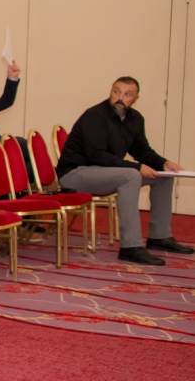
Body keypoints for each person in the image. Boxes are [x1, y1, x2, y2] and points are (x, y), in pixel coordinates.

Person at [57, 76, 191, 265]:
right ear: (111, 92)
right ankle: (131, 247)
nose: (120, 98)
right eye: (117, 92)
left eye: (127, 94)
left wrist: (164, 163)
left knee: (163, 177)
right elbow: (96, 155)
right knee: (130, 175)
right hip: (75, 173)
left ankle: (160, 237)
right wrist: (137, 167)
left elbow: (141, 150)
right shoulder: (95, 116)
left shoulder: (135, 118)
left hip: (104, 172)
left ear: (136, 98)